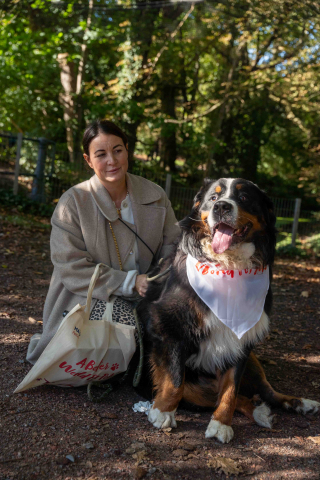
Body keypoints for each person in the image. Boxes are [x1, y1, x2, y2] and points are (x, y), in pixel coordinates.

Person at [26, 120, 180, 365]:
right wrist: (130, 282)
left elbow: (174, 248)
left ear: (127, 150)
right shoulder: (73, 203)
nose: (112, 160)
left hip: (147, 296)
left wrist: (156, 280)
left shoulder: (156, 195)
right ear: (88, 160)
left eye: (118, 150)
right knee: (131, 338)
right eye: (101, 154)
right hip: (87, 302)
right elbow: (71, 268)